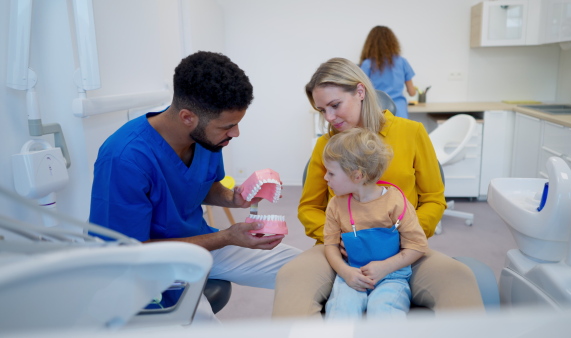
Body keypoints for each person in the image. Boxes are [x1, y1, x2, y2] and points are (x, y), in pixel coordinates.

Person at [89, 51, 301, 322]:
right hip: (148, 265)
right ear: (188, 117)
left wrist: (236, 199)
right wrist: (226, 236)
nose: (235, 133)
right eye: (228, 126)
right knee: (203, 326)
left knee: (304, 268)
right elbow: (131, 253)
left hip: (201, 242)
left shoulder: (207, 138)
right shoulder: (124, 158)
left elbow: (200, 185)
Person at [272, 57, 484, 318]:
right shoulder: (325, 146)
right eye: (322, 110)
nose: (329, 117)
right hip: (342, 252)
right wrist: (339, 241)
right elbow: (309, 208)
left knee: (458, 278)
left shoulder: (412, 133)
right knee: (291, 278)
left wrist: (405, 240)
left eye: (335, 105)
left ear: (360, 91)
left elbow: (433, 199)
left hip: (404, 252)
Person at [322, 128, 428, 319]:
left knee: (382, 311)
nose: (325, 178)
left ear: (357, 176)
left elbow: (418, 245)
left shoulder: (396, 202)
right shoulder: (335, 205)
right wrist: (346, 272)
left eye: (331, 173)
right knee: (341, 309)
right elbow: (329, 244)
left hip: (392, 276)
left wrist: (385, 267)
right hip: (352, 275)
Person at [359, 25, 417, 119]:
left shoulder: (367, 64)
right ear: (393, 42)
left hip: (377, 110)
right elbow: (412, 92)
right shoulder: (402, 62)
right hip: (400, 111)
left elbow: (360, 91)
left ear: (370, 44)